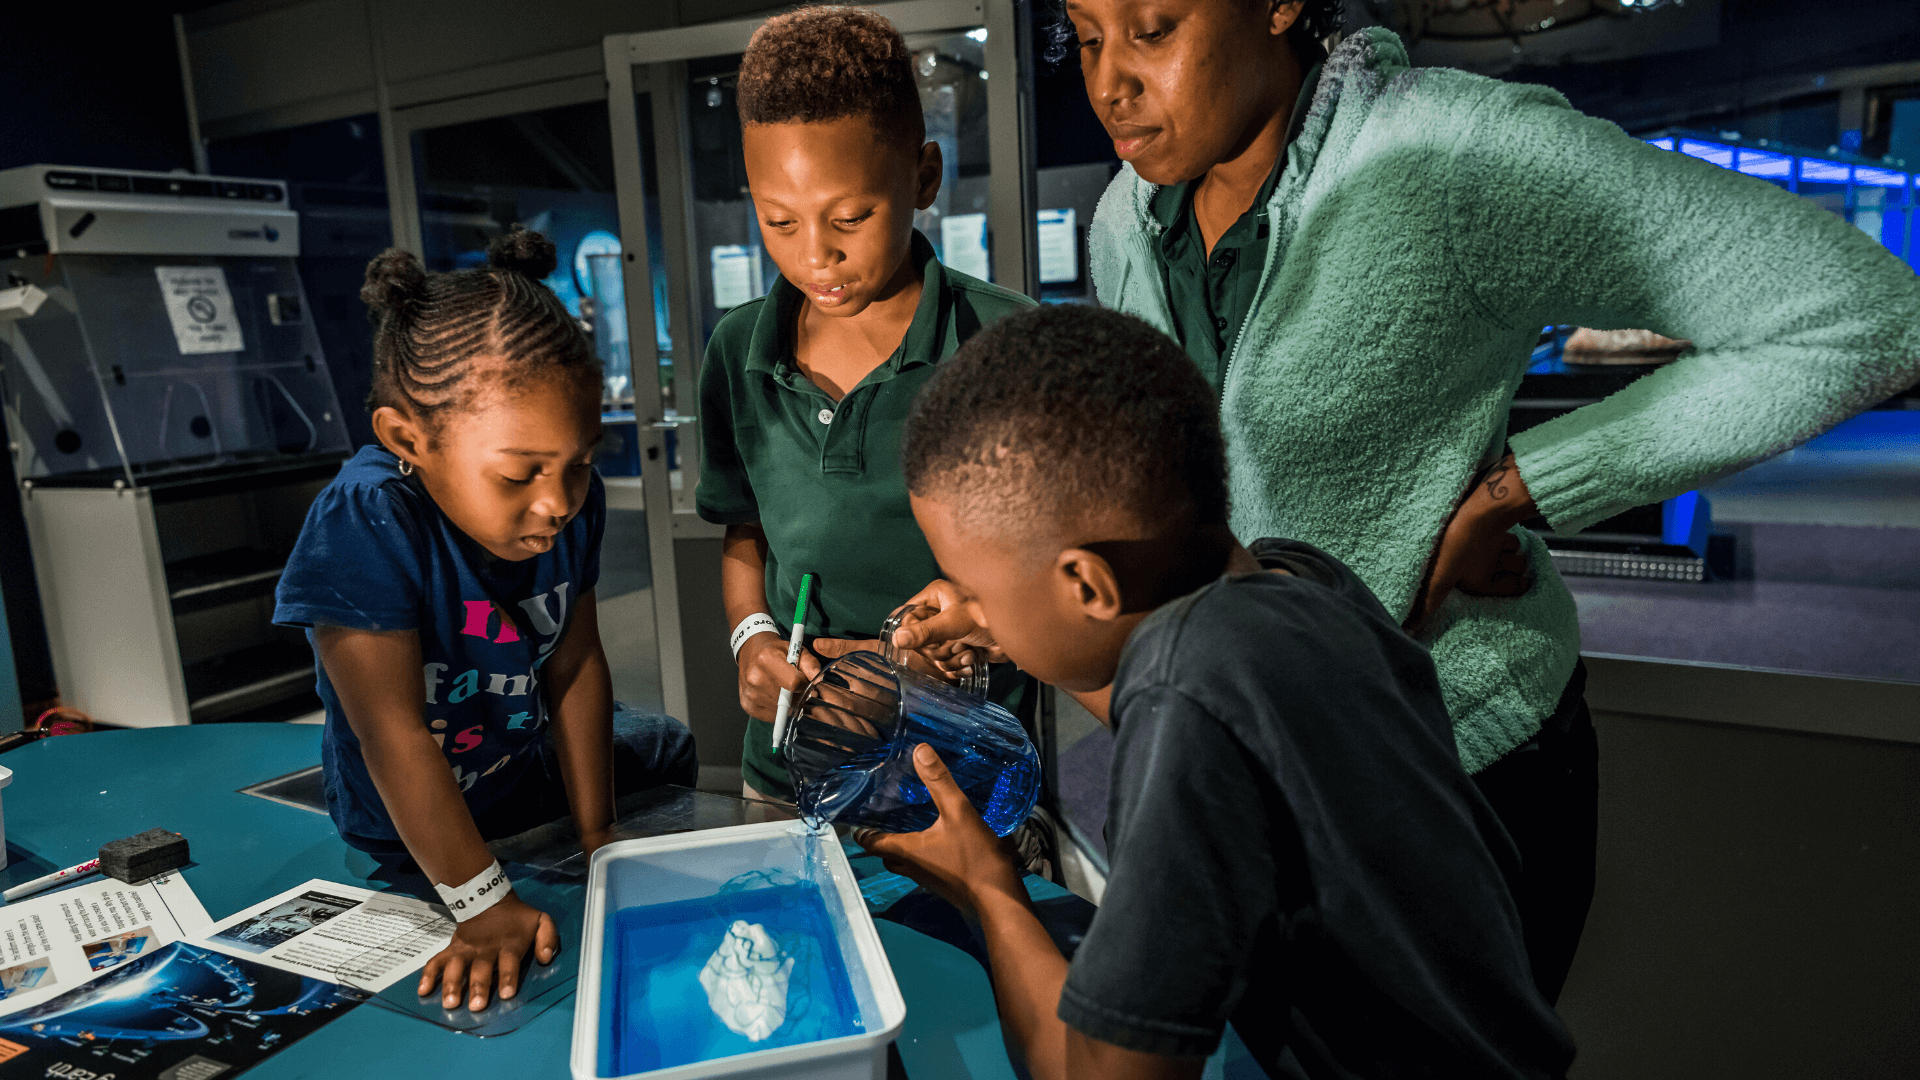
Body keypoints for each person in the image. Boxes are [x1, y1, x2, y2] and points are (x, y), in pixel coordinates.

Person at [1048, 0, 1920, 999]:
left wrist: (1520, 489)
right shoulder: (1127, 217)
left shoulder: (1458, 153)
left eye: (1152, 28)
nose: (1107, 80)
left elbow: (1862, 314)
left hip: (1450, 772)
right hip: (1244, 772)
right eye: (1083, 35)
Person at [867, 304, 1575, 1080]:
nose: (965, 605)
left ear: (1085, 585)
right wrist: (1010, 621)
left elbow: (1103, 1075)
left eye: (972, 585)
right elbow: (1191, 704)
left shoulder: (1188, 693)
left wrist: (988, 887)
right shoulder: (1299, 581)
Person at [273, 228, 699, 1012]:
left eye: (579, 462)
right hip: (403, 822)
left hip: (510, 769)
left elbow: (575, 661)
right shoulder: (365, 517)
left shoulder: (576, 503)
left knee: (666, 742)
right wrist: (481, 904)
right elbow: (391, 734)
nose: (558, 502)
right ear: (409, 438)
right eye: (518, 473)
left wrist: (597, 834)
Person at [697, 6, 1036, 803]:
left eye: (850, 217)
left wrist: (948, 663)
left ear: (922, 176)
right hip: (788, 772)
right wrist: (752, 638)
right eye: (778, 221)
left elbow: (1067, 584)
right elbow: (745, 530)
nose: (816, 255)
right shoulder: (737, 351)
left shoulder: (1010, 345)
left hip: (960, 777)